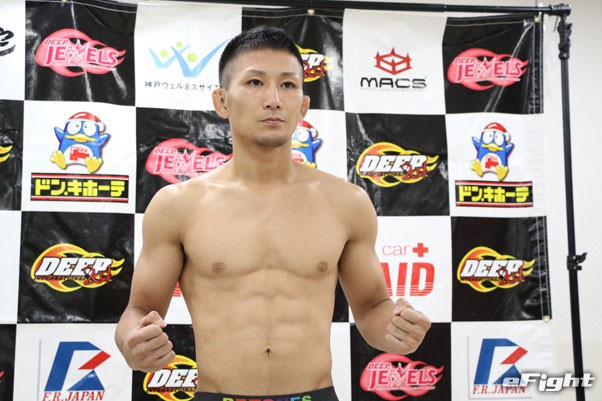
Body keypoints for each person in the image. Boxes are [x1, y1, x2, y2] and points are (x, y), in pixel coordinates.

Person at [115, 26, 431, 401]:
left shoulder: (347, 203)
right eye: (255, 82)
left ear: (303, 105)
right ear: (221, 101)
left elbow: (371, 309)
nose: (273, 99)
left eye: (287, 85)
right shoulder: (178, 205)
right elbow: (139, 310)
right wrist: (132, 342)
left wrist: (396, 330)